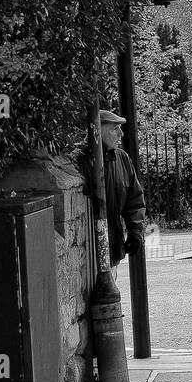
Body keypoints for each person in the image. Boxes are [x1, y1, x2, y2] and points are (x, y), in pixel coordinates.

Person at [76, 110, 146, 272]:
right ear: (98, 131)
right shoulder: (81, 160)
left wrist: (135, 230)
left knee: (110, 290)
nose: (121, 134)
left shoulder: (122, 158)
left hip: (112, 244)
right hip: (87, 250)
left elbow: (134, 198)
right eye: (115, 129)